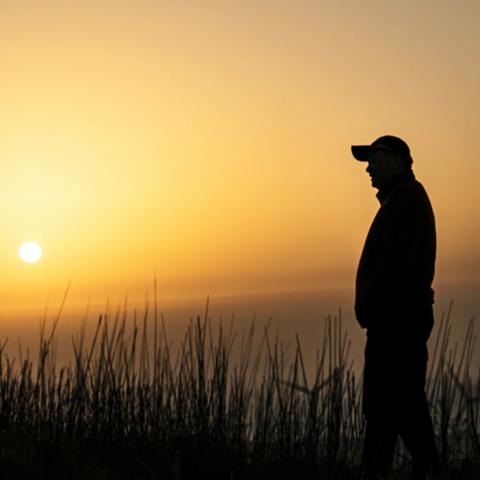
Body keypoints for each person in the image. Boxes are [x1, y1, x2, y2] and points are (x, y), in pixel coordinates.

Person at [351, 135, 440, 480]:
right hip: (396, 322)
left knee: (396, 407)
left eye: (375, 158)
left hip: (396, 326)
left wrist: (371, 303)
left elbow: (396, 266)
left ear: (399, 160)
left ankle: (424, 470)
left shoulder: (405, 199)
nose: (369, 168)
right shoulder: (402, 200)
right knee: (393, 410)